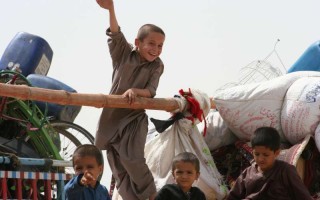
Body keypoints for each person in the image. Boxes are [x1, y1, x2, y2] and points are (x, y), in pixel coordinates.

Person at [95, 0, 165, 199]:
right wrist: (111, 9)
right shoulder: (124, 54)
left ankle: (151, 195)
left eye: (160, 45)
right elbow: (116, 34)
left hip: (134, 119)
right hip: (111, 120)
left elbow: (151, 91)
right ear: (137, 43)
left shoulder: (157, 66)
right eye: (151, 43)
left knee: (132, 159)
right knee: (119, 169)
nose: (156, 49)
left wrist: (135, 91)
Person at [226, 127, 313, 200]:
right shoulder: (247, 173)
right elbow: (233, 196)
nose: (260, 159)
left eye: (266, 155)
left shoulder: (286, 171)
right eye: (257, 154)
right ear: (252, 152)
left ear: (276, 153)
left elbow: (303, 196)